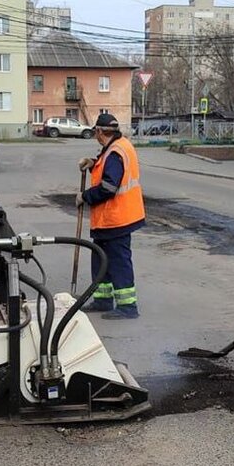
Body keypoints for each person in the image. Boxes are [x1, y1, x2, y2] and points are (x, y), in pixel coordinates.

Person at [76, 113, 146, 320]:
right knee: (100, 258)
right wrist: (93, 162)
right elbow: (107, 166)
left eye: (95, 132)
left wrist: (85, 197)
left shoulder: (116, 152)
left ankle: (128, 307)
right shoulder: (118, 145)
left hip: (117, 218)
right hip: (110, 219)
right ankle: (103, 300)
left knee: (117, 261)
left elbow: (108, 187)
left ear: (99, 132)